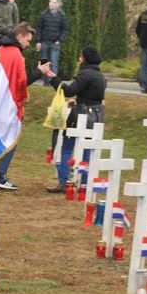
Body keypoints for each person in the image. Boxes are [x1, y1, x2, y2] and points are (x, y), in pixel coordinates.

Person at [0, 22, 42, 190]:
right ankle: (1, 176)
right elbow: (21, 83)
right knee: (9, 137)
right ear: (20, 36)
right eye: (28, 40)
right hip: (4, 106)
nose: (28, 45)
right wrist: (39, 72)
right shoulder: (16, 55)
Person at [40, 46, 106, 192]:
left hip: (80, 115)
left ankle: (64, 182)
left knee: (67, 148)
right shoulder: (100, 76)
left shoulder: (84, 74)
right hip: (95, 116)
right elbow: (92, 96)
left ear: (85, 58)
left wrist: (53, 78)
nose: (79, 59)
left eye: (81, 56)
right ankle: (84, 184)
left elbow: (69, 91)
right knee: (87, 151)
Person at [36, 0, 70, 80]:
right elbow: (39, 28)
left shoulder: (62, 16)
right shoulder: (44, 15)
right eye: (50, 2)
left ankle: (53, 82)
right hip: (44, 43)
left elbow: (65, 29)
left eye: (54, 2)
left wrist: (60, 40)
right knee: (44, 63)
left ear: (57, 4)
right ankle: (46, 82)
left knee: (54, 64)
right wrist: (39, 41)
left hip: (55, 43)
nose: (51, 4)